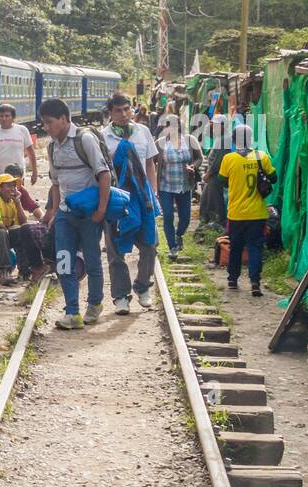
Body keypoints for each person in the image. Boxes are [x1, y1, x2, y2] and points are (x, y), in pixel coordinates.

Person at [41, 98, 112, 330]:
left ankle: (95, 304)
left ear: (63, 119)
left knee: (92, 261)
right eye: (44, 123)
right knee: (63, 262)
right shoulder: (52, 147)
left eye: (49, 122)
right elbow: (55, 182)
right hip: (65, 214)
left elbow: (104, 175)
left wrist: (101, 210)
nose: (46, 128)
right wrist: (53, 211)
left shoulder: (85, 140)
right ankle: (72, 311)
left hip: (89, 214)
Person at [102, 92, 159, 313]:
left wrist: (153, 193)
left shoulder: (143, 132)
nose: (124, 114)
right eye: (118, 110)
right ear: (110, 113)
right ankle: (120, 296)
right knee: (115, 250)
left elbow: (150, 164)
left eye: (127, 109)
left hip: (142, 197)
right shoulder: (103, 137)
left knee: (149, 245)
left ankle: (143, 286)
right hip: (116, 198)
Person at [219, 123, 276, 296]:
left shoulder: (229, 159)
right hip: (257, 213)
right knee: (255, 247)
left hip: (236, 213)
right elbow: (274, 178)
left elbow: (222, 181)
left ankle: (232, 279)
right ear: (251, 139)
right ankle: (255, 282)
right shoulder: (261, 156)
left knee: (235, 246)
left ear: (235, 140)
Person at [0, 173, 44, 285]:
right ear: (0, 188)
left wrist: (18, 203)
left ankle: (24, 271)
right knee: (1, 233)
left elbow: (22, 223)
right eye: (9, 186)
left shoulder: (12, 202)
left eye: (14, 186)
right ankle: (4, 272)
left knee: (22, 232)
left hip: (1, 235)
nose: (13, 189)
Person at [156, 114, 203, 258]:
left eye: (172, 125)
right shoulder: (160, 143)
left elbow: (199, 158)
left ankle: (179, 235)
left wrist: (193, 166)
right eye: (167, 126)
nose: (169, 128)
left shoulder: (190, 140)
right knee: (168, 215)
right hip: (165, 185)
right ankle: (172, 247)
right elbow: (150, 160)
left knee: (185, 218)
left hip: (185, 185)